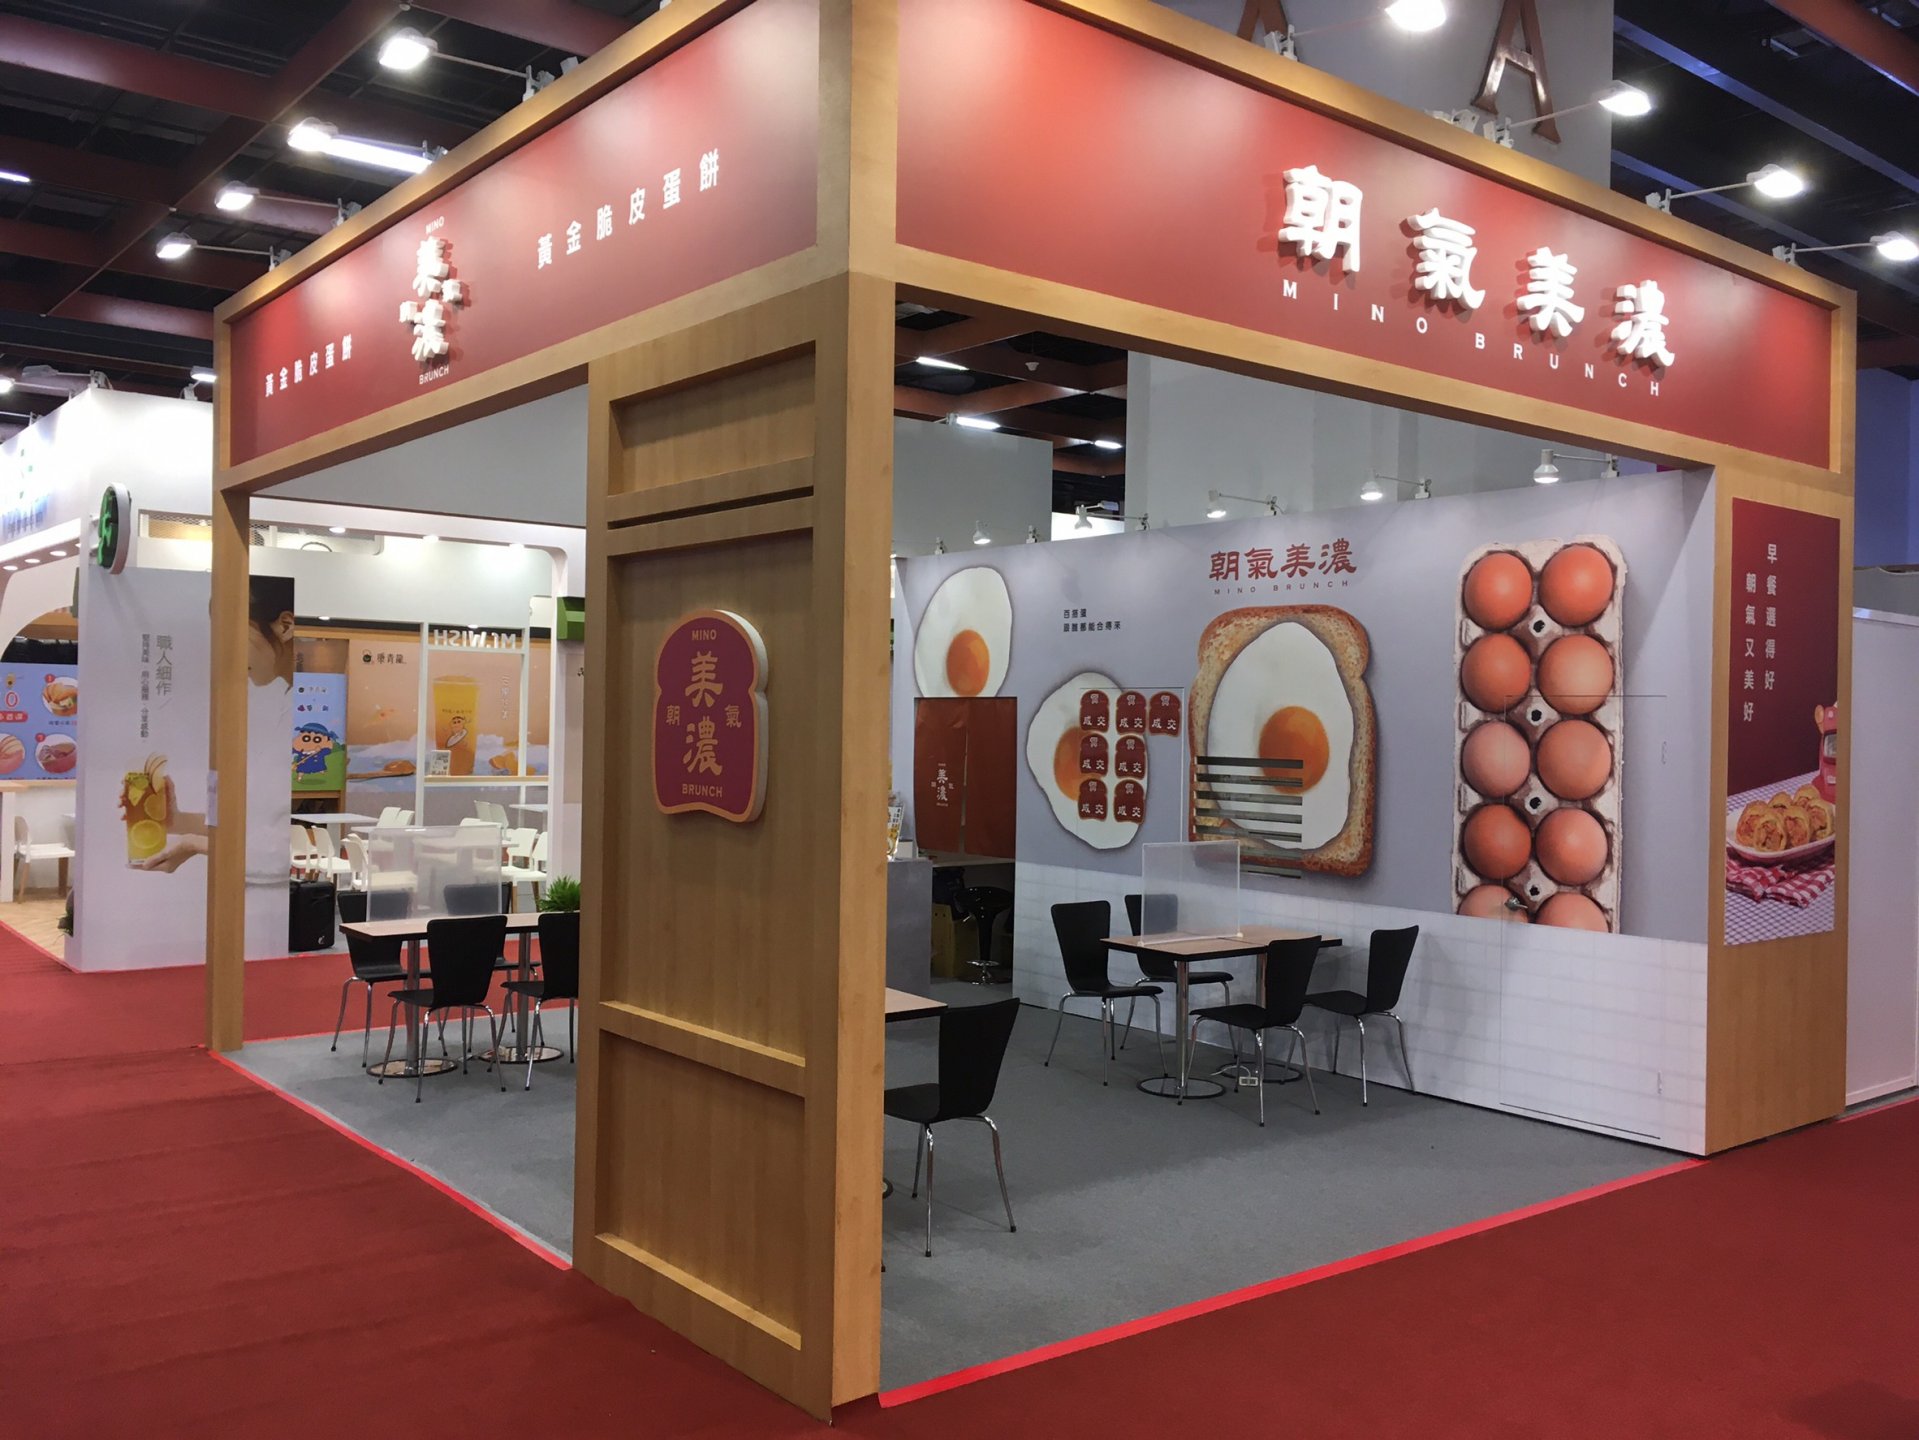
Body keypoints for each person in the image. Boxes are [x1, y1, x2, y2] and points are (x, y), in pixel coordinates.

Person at [140, 586, 298, 873]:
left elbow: (279, 849)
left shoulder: (297, 717)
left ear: (285, 626)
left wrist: (193, 843)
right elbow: (258, 829)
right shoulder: (280, 709)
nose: (227, 654)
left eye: (233, 636)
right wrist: (178, 821)